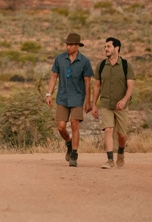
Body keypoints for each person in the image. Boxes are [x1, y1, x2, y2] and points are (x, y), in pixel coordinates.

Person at [45, 32, 93, 167]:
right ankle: (69, 143)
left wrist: (88, 102)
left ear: (77, 45)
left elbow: (88, 82)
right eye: (67, 44)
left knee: (74, 123)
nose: (68, 47)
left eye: (71, 45)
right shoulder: (59, 59)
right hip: (62, 97)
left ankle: (74, 155)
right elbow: (54, 76)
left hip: (77, 97)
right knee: (60, 127)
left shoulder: (85, 61)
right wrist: (49, 94)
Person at [92, 37, 136, 169]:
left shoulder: (126, 65)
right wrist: (94, 104)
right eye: (105, 47)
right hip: (106, 104)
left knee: (121, 135)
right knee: (108, 130)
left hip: (121, 106)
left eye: (108, 46)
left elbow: (131, 86)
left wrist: (124, 100)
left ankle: (121, 151)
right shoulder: (101, 66)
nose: (106, 49)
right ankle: (110, 160)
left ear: (117, 48)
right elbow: (97, 86)